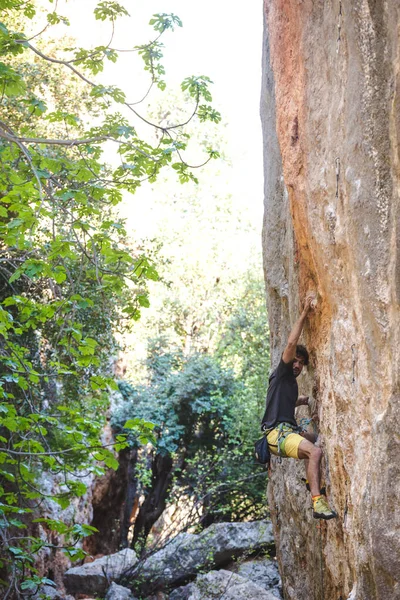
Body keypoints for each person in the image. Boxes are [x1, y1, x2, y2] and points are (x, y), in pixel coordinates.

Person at [261, 296, 337, 520]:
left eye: (301, 363)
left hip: (285, 432)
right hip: (278, 434)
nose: (297, 365)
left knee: (316, 440)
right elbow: (290, 344)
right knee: (315, 452)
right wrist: (304, 313)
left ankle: (309, 482)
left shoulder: (288, 385)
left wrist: (301, 400)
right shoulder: (282, 372)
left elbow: (284, 402)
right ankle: (317, 501)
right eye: (295, 360)